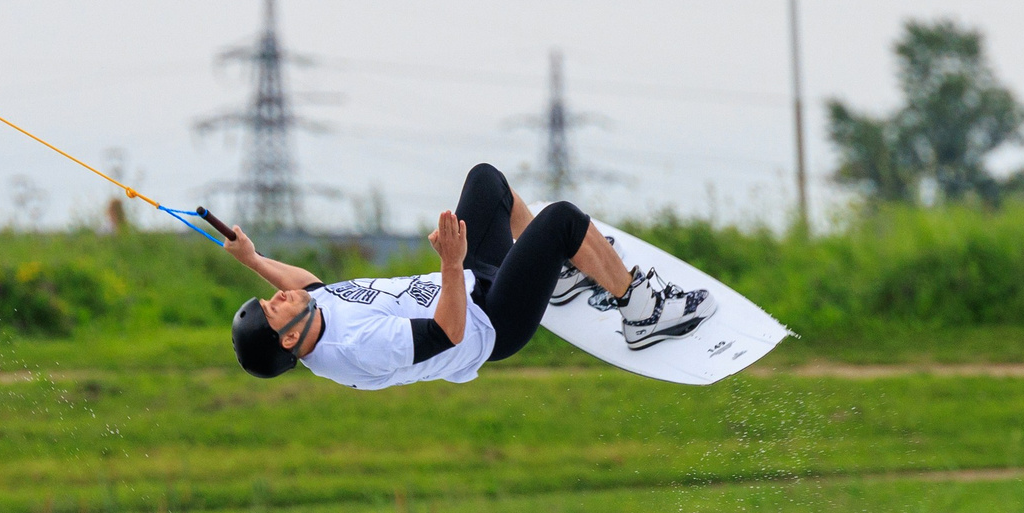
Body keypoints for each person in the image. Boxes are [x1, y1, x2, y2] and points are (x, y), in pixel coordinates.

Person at [225, 164, 716, 387]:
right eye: (273, 307)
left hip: (471, 282)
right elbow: (447, 333)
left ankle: (557, 277)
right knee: (562, 219)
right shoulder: (357, 347)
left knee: (487, 182)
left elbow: (311, 285)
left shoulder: (314, 316)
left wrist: (252, 257)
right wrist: (451, 263)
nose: (278, 295)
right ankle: (644, 312)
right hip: (489, 323)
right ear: (289, 340)